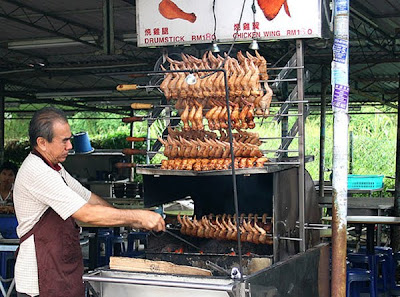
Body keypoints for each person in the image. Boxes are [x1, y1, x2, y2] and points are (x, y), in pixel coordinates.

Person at [13, 107, 165, 297]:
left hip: (60, 273)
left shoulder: (56, 168)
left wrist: (133, 221)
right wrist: (138, 216)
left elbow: (89, 199)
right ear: (42, 143)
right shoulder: (37, 171)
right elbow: (86, 213)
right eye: (64, 141)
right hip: (39, 282)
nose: (70, 146)